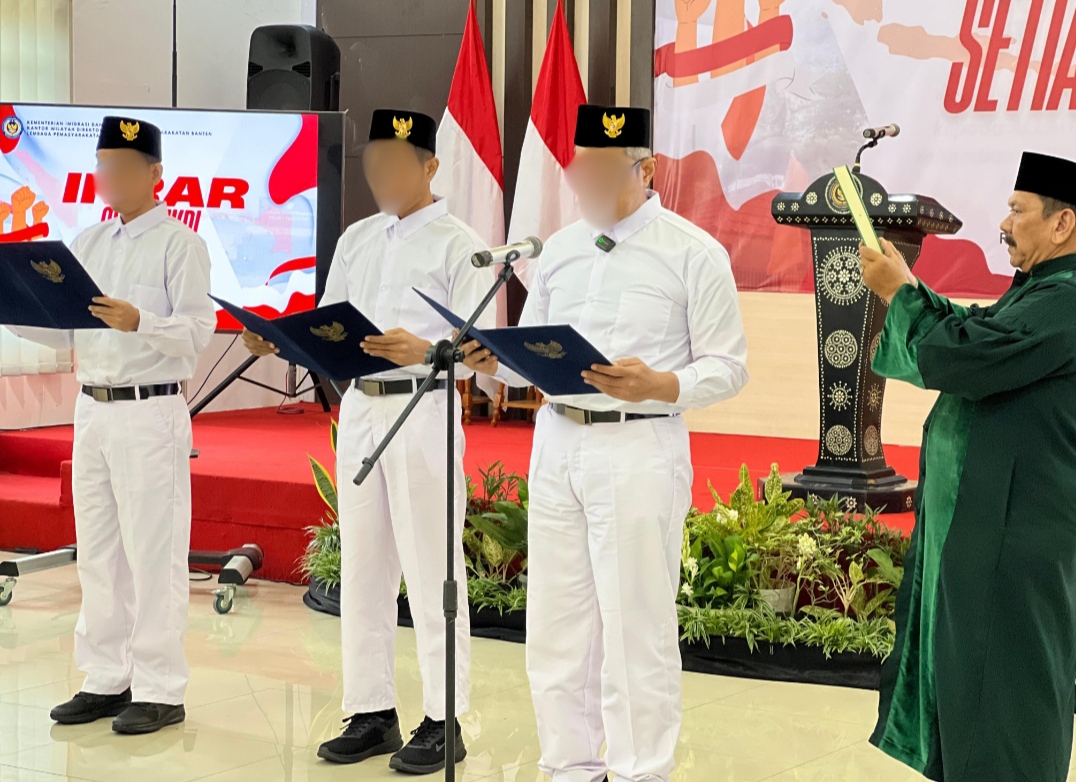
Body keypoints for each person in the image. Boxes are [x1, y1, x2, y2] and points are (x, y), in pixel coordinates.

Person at [462, 104, 749, 782]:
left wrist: (662, 383)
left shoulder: (694, 252)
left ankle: (641, 770)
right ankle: (570, 766)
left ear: (646, 171)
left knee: (634, 626)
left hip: (637, 446)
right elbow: (533, 357)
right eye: (579, 170)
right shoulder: (559, 250)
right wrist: (494, 359)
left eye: (602, 171)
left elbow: (729, 367)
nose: (584, 184)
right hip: (558, 442)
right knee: (557, 623)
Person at [242, 109, 493, 775]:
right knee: (364, 566)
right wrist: (280, 340)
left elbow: (481, 351)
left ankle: (444, 717)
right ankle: (371, 710)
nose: (380, 175)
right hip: (360, 409)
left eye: (395, 164)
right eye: (373, 163)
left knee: (432, 567)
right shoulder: (356, 238)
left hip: (422, 407)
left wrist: (429, 349)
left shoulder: (461, 245)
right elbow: (330, 325)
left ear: (430, 166)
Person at [860, 151, 1076, 782]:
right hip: (991, 534)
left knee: (1004, 703)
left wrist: (899, 293)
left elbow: (972, 355)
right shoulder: (1039, 292)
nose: (1004, 224)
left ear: (1062, 223)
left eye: (1017, 210)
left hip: (1016, 541)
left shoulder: (1065, 300)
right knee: (973, 697)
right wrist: (911, 288)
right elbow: (974, 328)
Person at [7, 116, 215, 734]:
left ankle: (160, 688)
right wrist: (13, 308)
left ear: (155, 174)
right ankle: (105, 677)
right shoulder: (89, 242)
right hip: (92, 409)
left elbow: (196, 333)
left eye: (122, 167)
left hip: (150, 411)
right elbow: (65, 329)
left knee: (153, 554)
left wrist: (140, 321)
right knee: (98, 552)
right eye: (103, 165)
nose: (109, 176)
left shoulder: (181, 244)